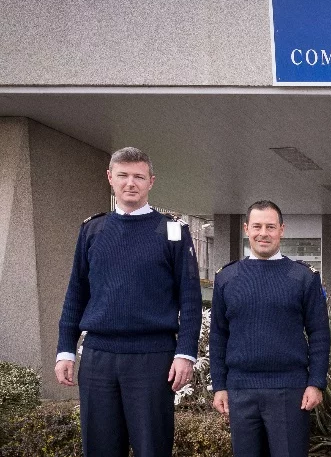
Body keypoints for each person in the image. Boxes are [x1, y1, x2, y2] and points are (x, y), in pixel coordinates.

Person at [55, 146, 202, 456]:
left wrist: (186, 353)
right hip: (98, 357)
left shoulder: (173, 231)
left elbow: (189, 298)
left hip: (152, 358)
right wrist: (65, 350)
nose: (130, 183)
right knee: (100, 448)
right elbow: (76, 293)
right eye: (122, 175)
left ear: (151, 181)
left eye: (138, 176)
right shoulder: (92, 230)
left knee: (152, 447)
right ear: (110, 178)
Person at [209, 200, 329, 457]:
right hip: (240, 390)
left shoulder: (303, 277)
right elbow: (218, 335)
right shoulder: (227, 278)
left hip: (290, 390)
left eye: (270, 226)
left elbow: (319, 333)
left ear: (282, 230)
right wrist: (219, 385)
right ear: (246, 229)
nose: (263, 233)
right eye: (257, 226)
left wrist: (316, 383)